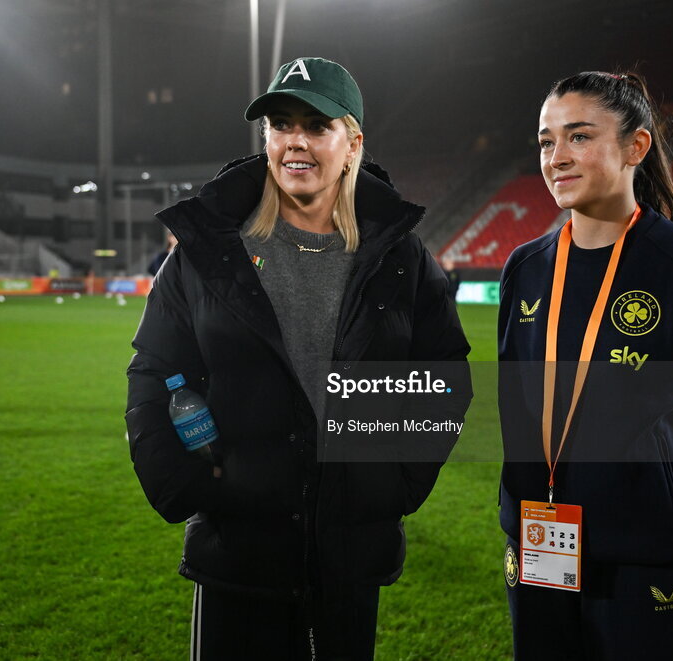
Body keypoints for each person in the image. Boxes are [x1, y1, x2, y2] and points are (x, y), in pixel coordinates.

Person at [125, 57, 470, 660]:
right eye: (281, 125)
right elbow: (153, 369)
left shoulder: (400, 259)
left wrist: (398, 481)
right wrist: (180, 481)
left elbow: (445, 377)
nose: (296, 142)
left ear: (352, 141)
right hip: (238, 550)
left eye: (317, 125)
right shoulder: (208, 252)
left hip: (350, 556)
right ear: (266, 139)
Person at [497, 71, 673, 660]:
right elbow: (516, 403)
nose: (556, 157)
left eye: (579, 136)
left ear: (635, 147)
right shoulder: (526, 267)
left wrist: (646, 483)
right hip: (539, 540)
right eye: (546, 141)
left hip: (647, 549)